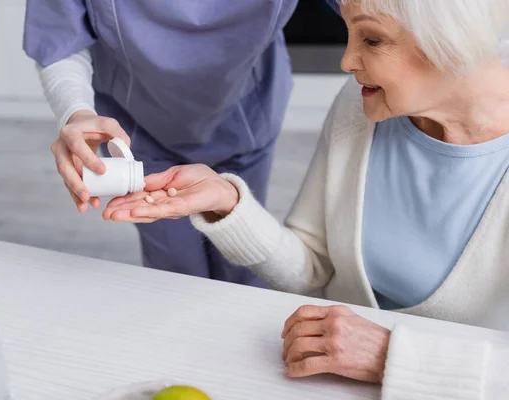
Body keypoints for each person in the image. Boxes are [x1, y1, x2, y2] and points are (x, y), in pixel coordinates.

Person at [103, 0, 509, 397]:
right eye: (349, 34)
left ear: (449, 41)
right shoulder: (362, 105)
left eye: (371, 39)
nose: (346, 61)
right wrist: (228, 204)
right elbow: (312, 268)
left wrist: (389, 357)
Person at [23, 0, 327, 287]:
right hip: (140, 129)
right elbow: (59, 36)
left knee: (243, 264)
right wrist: (76, 112)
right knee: (176, 276)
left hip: (243, 117)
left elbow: (366, 11)